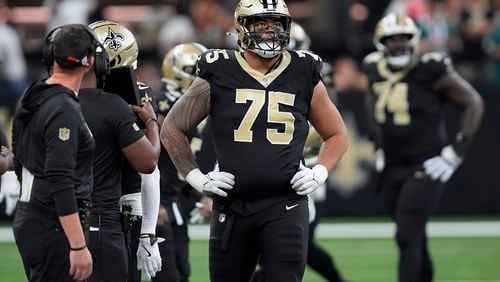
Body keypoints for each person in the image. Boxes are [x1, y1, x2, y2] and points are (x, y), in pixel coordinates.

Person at [160, 0, 349, 281]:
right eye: (261, 24)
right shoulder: (219, 69)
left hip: (285, 203)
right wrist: (197, 178)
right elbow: (172, 128)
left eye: (277, 24)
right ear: (241, 27)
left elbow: (337, 134)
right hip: (232, 206)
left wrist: (319, 171)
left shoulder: (303, 71)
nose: (270, 31)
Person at [362, 14, 484, 282]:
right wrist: (378, 142)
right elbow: (371, 104)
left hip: (426, 163)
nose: (398, 45)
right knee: (415, 236)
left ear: (414, 40)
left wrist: (456, 152)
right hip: (392, 164)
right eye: (391, 39)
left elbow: (473, 102)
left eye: (404, 38)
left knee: (406, 235)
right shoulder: (372, 68)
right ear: (380, 43)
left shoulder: (431, 68)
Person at [11, 24, 99, 282]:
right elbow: (60, 179)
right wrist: (78, 245)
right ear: (90, 62)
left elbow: (21, 156)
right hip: (52, 223)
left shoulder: (34, 92)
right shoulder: (63, 108)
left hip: (32, 215)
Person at [78, 21, 161, 282]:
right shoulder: (70, 95)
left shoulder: (137, 99)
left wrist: (148, 232)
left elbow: (150, 171)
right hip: (94, 204)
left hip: (119, 203)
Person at [153, 42, 213, 282]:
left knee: (182, 272)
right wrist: (152, 203)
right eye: (196, 72)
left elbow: (181, 173)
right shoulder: (159, 105)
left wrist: (203, 197)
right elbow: (144, 161)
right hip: (156, 203)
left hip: (173, 201)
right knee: (167, 276)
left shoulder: (195, 112)